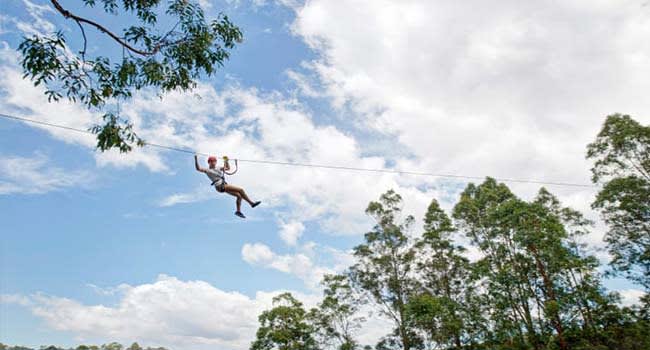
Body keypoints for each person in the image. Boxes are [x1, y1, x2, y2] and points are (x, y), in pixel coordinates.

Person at [194, 154, 261, 218]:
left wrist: (226, 161)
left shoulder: (219, 168)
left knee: (239, 196)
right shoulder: (207, 170)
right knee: (241, 190)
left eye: (214, 161)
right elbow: (198, 169)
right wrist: (196, 159)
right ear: (209, 163)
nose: (213, 162)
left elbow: (228, 168)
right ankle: (251, 203)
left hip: (224, 185)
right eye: (211, 161)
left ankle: (238, 211)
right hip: (219, 186)